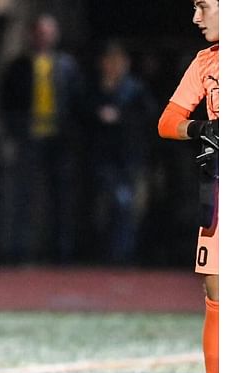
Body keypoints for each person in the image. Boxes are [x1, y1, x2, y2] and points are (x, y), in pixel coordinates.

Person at [157, 0, 218, 373]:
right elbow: (167, 123)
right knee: (218, 298)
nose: (195, 17)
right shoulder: (205, 62)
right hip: (221, 192)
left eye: (203, 6)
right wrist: (202, 129)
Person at [0, 13, 83, 264]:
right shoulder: (18, 66)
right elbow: (6, 100)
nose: (44, 37)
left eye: (48, 32)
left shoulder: (67, 65)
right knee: (23, 196)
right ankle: (20, 251)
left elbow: (77, 101)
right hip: (28, 139)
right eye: (40, 32)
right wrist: (13, 132)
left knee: (61, 197)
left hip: (59, 141)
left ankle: (61, 252)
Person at [81, 41, 156, 264]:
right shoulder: (94, 89)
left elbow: (150, 118)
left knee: (128, 206)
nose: (113, 66)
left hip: (129, 157)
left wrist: (121, 117)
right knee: (106, 206)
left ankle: (122, 256)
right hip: (102, 157)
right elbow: (81, 114)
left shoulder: (135, 91)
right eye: (109, 61)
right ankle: (105, 253)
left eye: (118, 61)